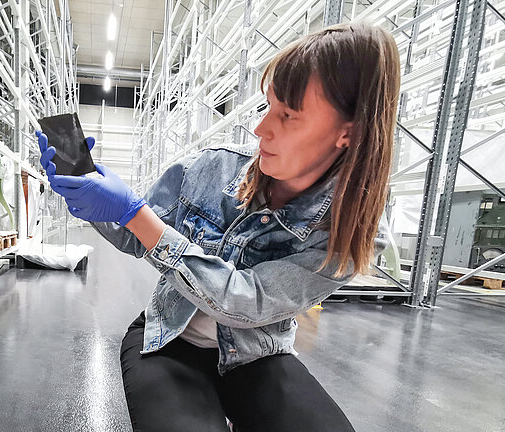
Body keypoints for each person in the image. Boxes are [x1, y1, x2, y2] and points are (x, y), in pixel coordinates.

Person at [35, 22, 400, 432]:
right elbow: (135, 235)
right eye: (268, 106)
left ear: (347, 133)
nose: (262, 129)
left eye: (288, 115)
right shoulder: (213, 166)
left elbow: (247, 302)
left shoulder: (349, 229)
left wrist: (134, 212)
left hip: (256, 354)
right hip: (170, 339)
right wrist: (89, 196)